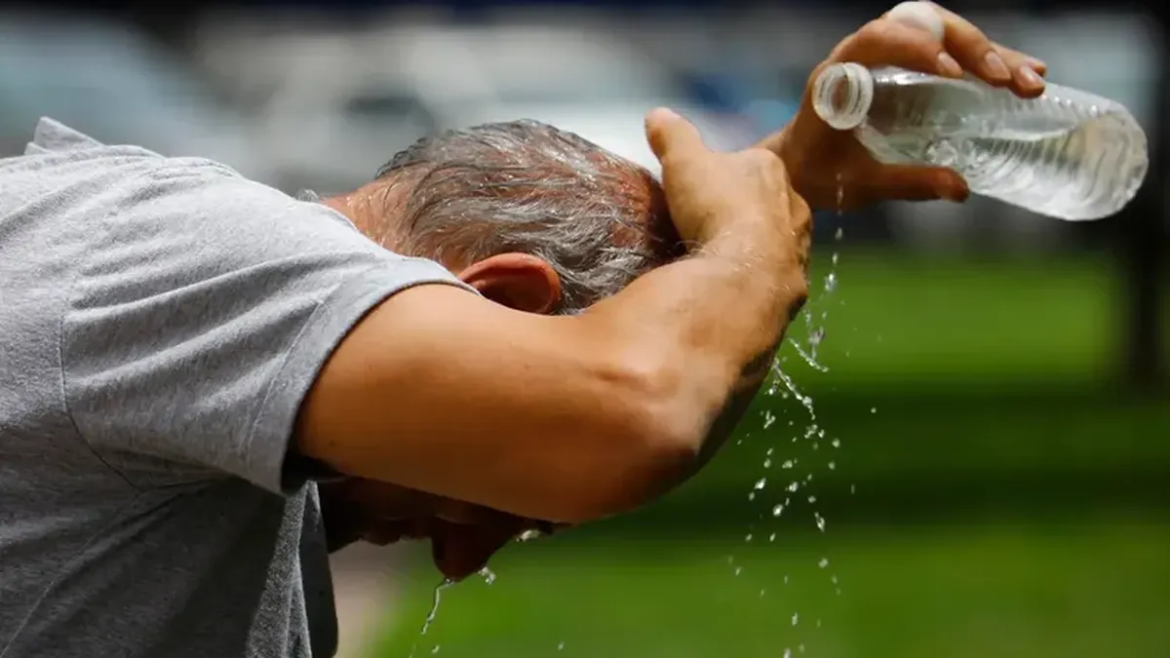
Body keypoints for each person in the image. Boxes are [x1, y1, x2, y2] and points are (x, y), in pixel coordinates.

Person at [0, 4, 1046, 657]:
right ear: (499, 304)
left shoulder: (201, 360)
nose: (463, 557)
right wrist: (745, 247)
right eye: (514, 502)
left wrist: (779, 186)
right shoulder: (194, 252)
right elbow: (628, 418)